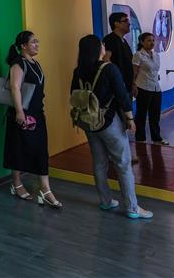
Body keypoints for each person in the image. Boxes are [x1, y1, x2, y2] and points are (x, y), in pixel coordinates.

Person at [71, 34, 153, 219]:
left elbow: (74, 95)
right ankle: (132, 208)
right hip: (109, 123)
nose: (104, 46)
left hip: (89, 123)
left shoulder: (78, 71)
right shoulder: (109, 69)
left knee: (99, 163)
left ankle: (106, 201)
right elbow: (122, 96)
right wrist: (130, 119)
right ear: (97, 49)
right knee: (123, 164)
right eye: (101, 44)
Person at [3, 31, 61, 208]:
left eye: (37, 41)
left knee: (40, 150)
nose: (37, 44)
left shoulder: (35, 63)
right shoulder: (18, 64)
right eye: (33, 42)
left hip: (37, 113)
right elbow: (14, 88)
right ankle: (16, 183)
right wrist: (20, 112)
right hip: (22, 114)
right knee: (18, 148)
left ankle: (45, 189)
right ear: (23, 46)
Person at [133, 32, 168, 145]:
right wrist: (133, 86)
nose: (152, 42)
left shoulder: (156, 55)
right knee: (141, 115)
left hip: (156, 88)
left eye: (153, 40)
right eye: (148, 40)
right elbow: (134, 72)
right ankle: (140, 138)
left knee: (155, 115)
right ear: (142, 42)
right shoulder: (138, 55)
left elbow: (155, 71)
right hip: (143, 87)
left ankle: (156, 138)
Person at [103, 12, 136, 98]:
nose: (129, 23)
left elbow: (129, 64)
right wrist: (117, 79)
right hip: (117, 89)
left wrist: (133, 83)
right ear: (116, 24)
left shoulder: (124, 41)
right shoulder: (110, 39)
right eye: (125, 20)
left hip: (127, 88)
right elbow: (106, 59)